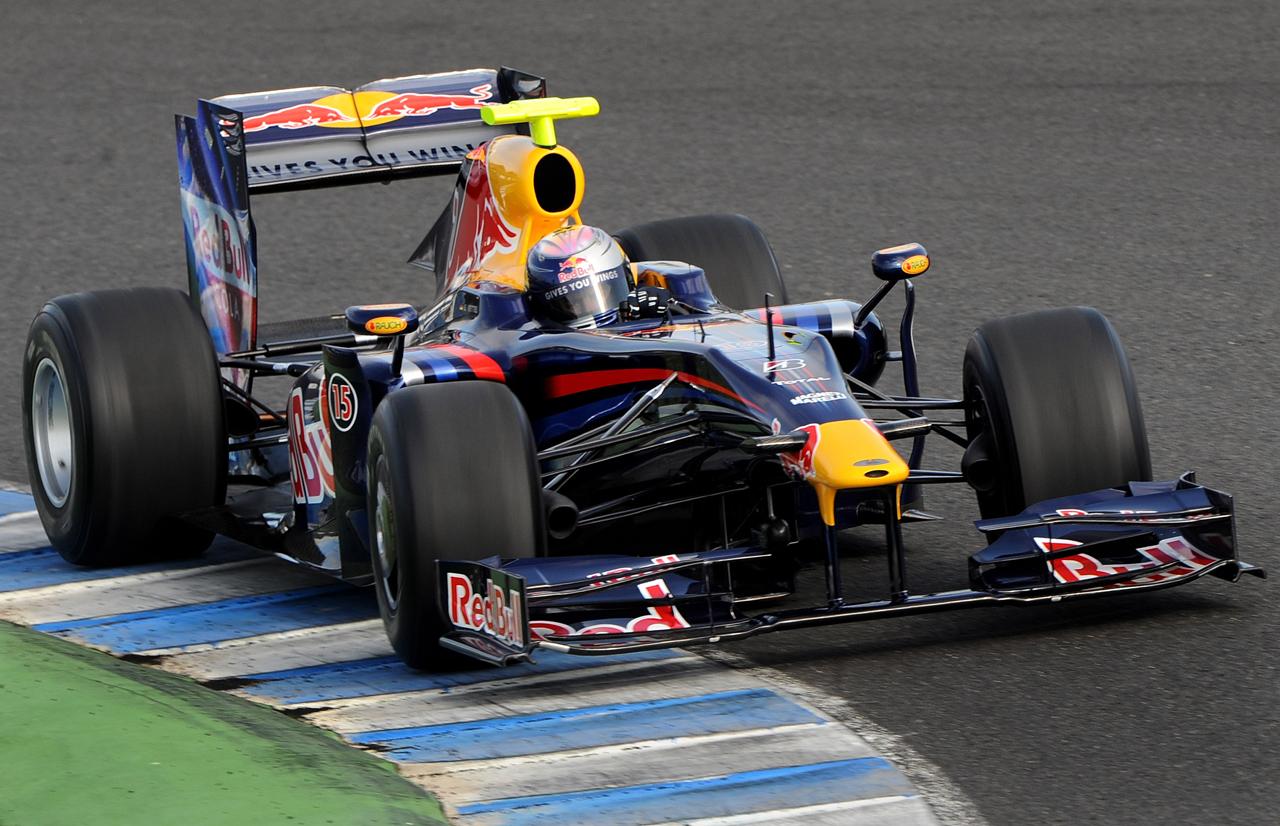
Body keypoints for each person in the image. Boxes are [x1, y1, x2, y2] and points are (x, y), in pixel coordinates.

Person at [526, 225, 670, 328]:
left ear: (628, 279)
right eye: (573, 301)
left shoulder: (648, 301)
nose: (587, 305)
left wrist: (663, 312)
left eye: (594, 295)